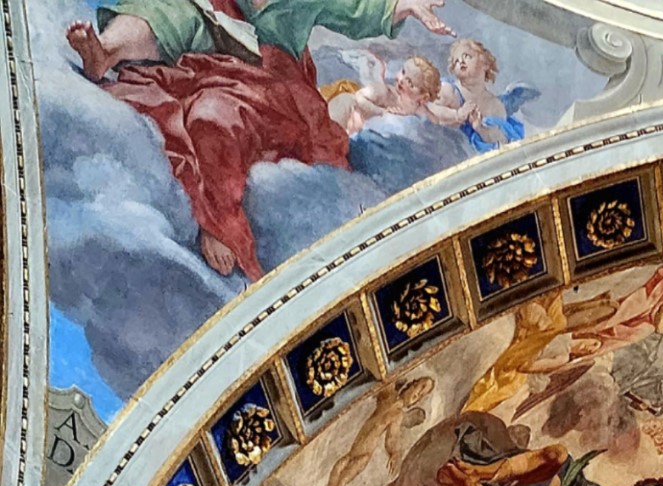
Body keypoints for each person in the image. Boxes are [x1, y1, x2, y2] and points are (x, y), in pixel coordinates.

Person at [66, 0, 457, 280]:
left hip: (269, 74)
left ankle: (218, 223)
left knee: (214, 116)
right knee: (166, 10)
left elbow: (355, 8)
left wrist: (402, 6)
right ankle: (105, 52)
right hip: (212, 38)